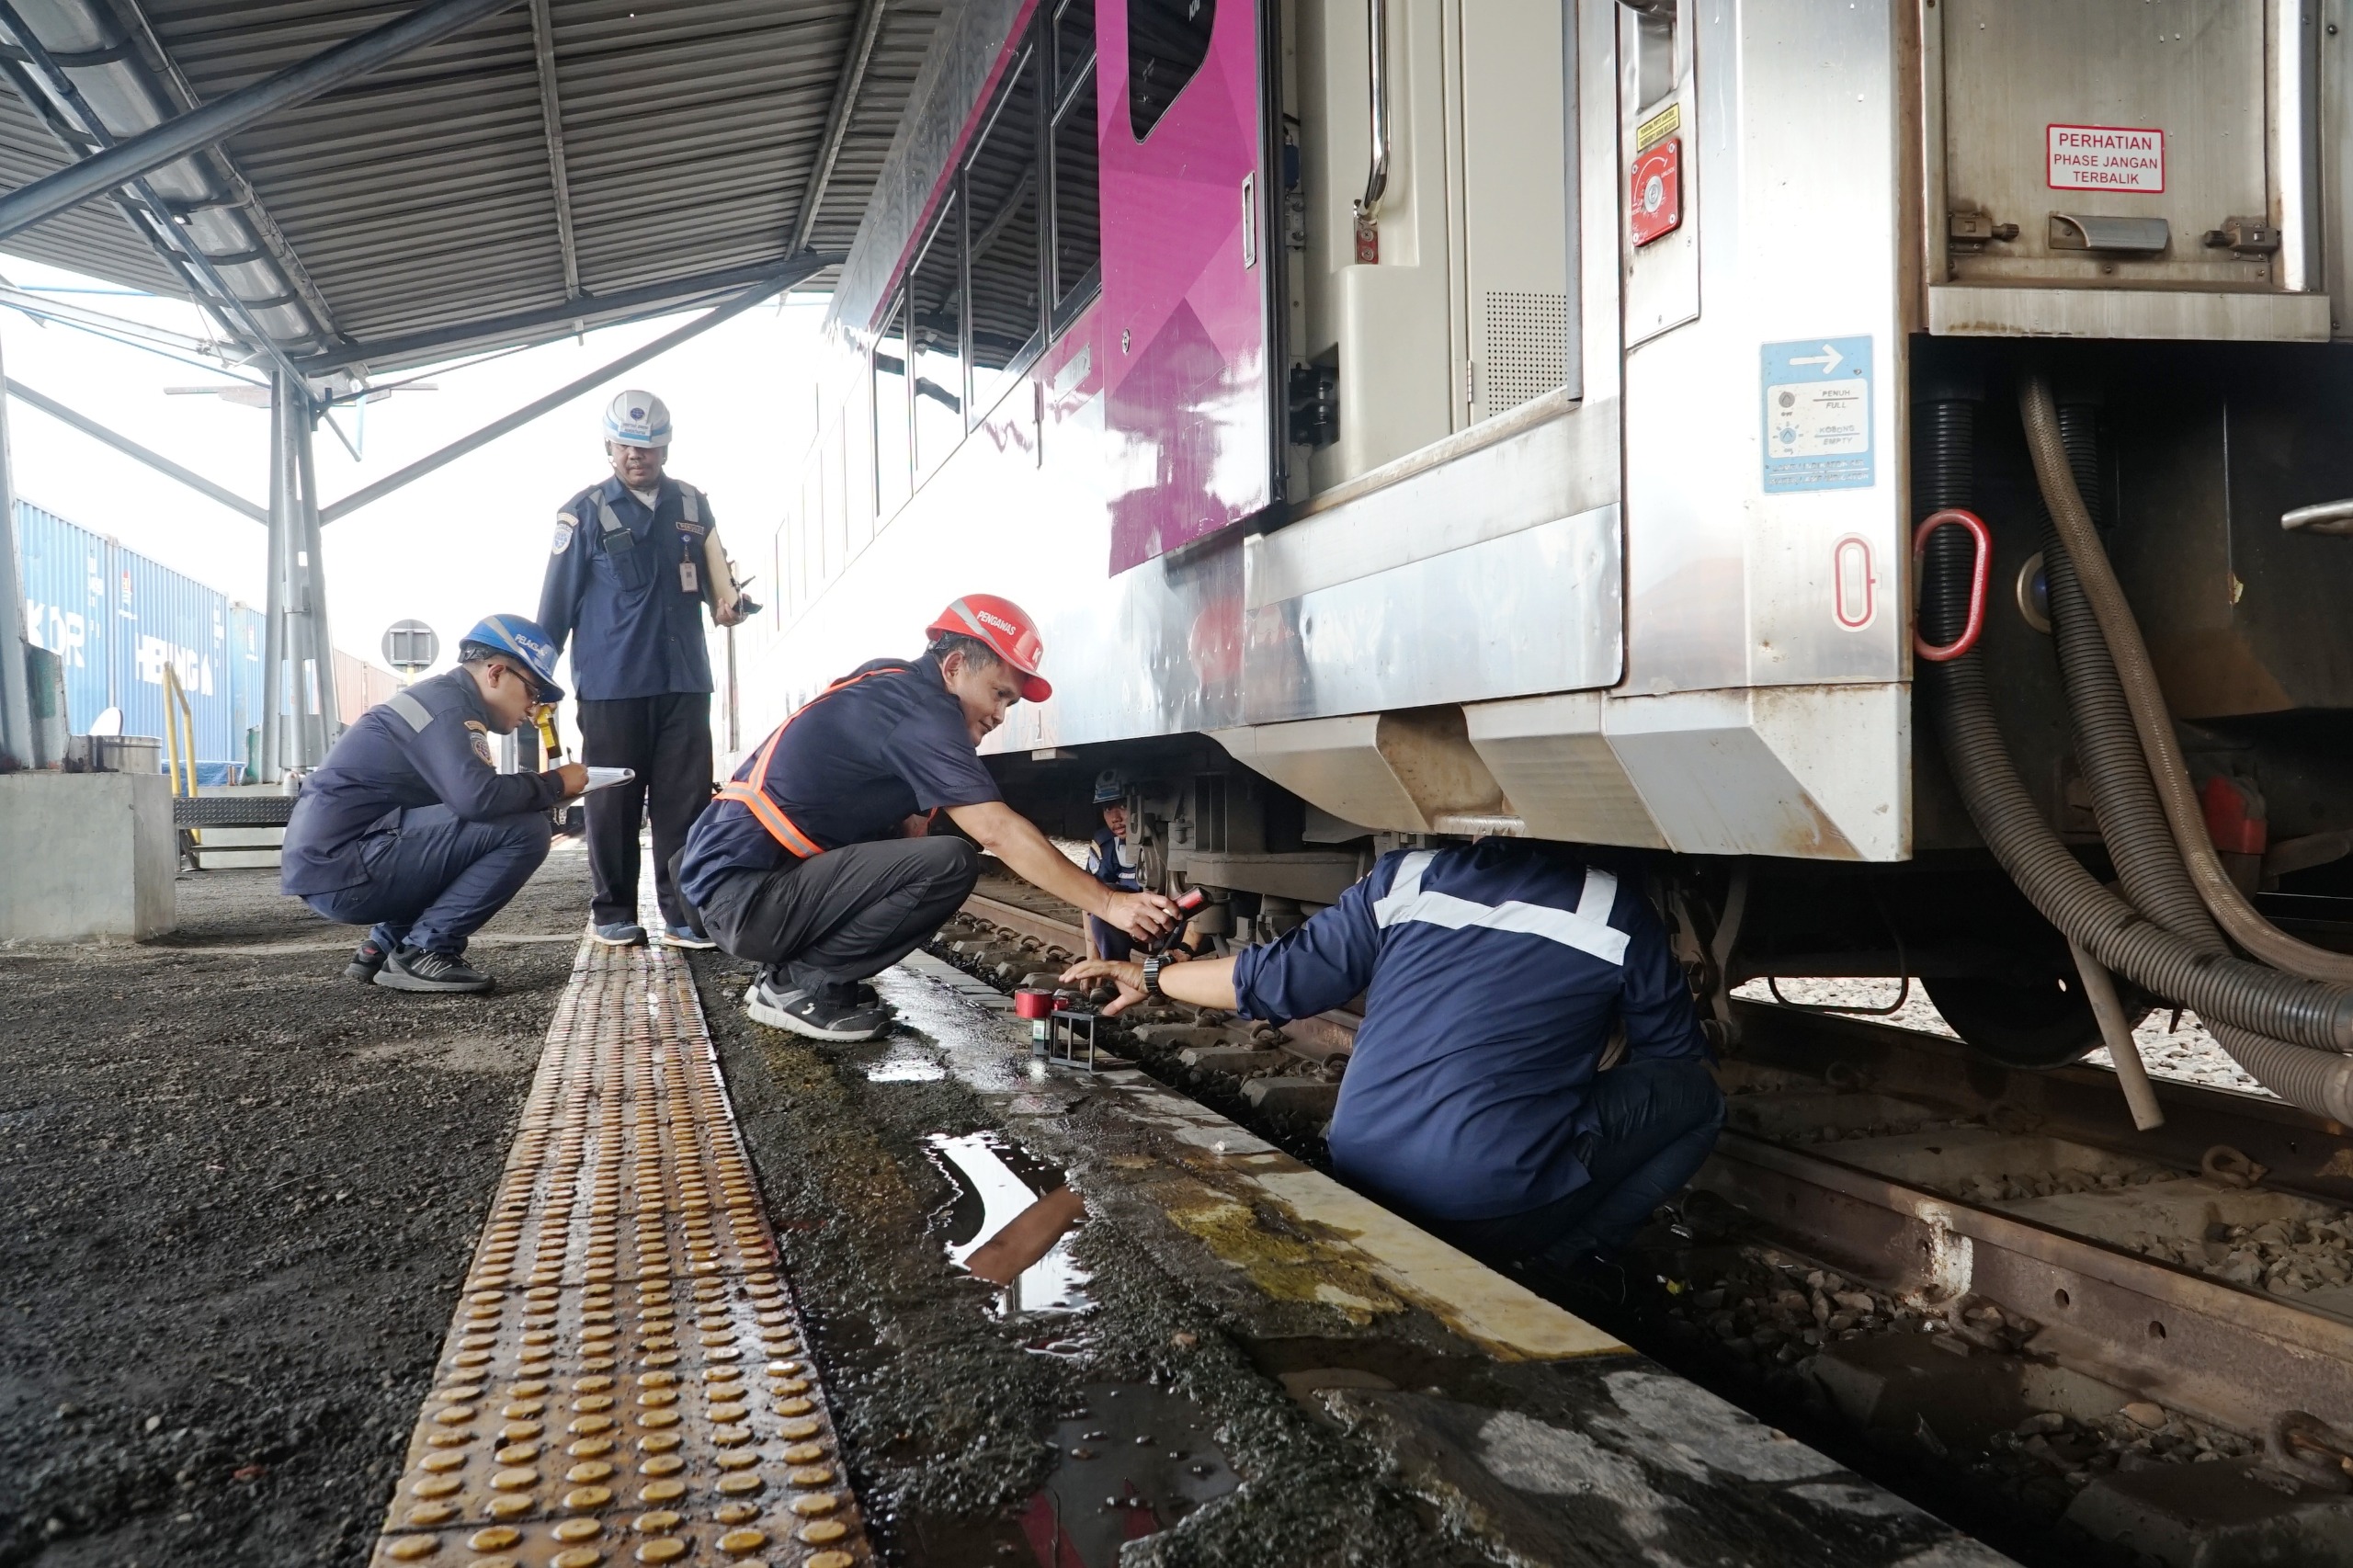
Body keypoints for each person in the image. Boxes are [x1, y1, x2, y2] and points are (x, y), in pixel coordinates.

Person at [1060, 837, 1724, 1277]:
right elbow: (1672, 1059)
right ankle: (1570, 1263)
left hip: (1361, 1172)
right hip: (1491, 1209)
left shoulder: (1404, 878)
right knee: (1700, 1099)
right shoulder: (1615, 910)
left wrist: (1148, 978)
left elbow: (1269, 980)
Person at [675, 595, 1178, 1041]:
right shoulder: (921, 709)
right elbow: (997, 831)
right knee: (949, 862)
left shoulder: (893, 688)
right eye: (999, 693)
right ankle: (799, 986)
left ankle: (795, 974)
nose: (1002, 714)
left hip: (737, 886)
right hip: (742, 895)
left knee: (931, 845)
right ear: (955, 665)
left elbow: (906, 828)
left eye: (1011, 702)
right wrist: (1110, 902)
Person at [538, 389, 748, 949]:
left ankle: (683, 914)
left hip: (684, 680)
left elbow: (714, 583)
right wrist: (538, 681)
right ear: (609, 446)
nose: (639, 456)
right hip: (612, 685)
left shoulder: (691, 505)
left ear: (666, 448)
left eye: (650, 447)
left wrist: (729, 605)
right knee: (613, 800)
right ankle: (612, 911)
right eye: (628, 446)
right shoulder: (581, 512)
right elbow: (554, 609)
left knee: (687, 801)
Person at [281, 615, 586, 994]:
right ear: (495, 673)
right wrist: (555, 782)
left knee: (479, 830)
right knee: (524, 831)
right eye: (533, 693)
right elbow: (478, 798)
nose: (533, 709)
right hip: (345, 871)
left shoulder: (442, 701)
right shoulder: (450, 709)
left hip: (337, 866)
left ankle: (384, 945)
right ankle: (425, 950)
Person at [1084, 769, 1142, 961]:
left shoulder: (1166, 840)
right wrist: (1092, 956)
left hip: (1168, 925)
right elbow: (1088, 899)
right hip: (1132, 923)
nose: (1115, 817)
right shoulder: (1105, 844)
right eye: (1108, 809)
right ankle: (1113, 972)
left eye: (1124, 806)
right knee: (1102, 897)